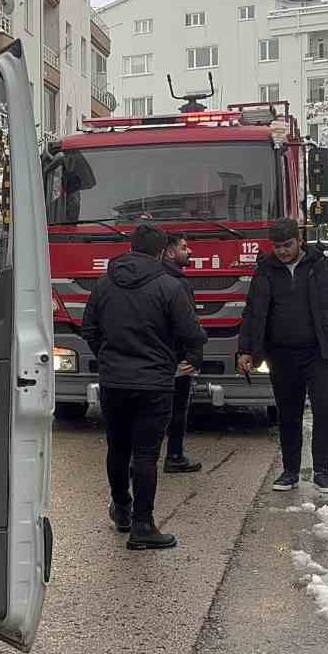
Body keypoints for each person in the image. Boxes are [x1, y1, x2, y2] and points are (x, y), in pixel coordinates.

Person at [82, 226, 208, 550]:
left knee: (117, 448)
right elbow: (190, 331)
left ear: (132, 248)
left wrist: (108, 357)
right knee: (147, 454)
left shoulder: (105, 283)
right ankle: (143, 525)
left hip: (113, 381)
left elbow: (89, 328)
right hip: (154, 383)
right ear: (160, 252)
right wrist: (186, 357)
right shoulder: (169, 286)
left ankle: (121, 509)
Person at [237, 218, 328, 493]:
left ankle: (322, 472)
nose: (282, 251)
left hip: (321, 353)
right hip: (282, 356)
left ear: (299, 241)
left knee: (326, 411)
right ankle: (290, 471)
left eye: (287, 245)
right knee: (289, 414)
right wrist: (245, 350)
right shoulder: (265, 272)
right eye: (277, 246)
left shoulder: (324, 268)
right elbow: (253, 314)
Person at [160, 233, 202, 474]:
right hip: (176, 357)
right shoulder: (178, 283)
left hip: (152, 357)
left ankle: (138, 460)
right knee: (176, 408)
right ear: (169, 252)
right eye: (185, 248)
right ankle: (174, 456)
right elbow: (189, 325)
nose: (190, 252)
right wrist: (194, 355)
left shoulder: (153, 278)